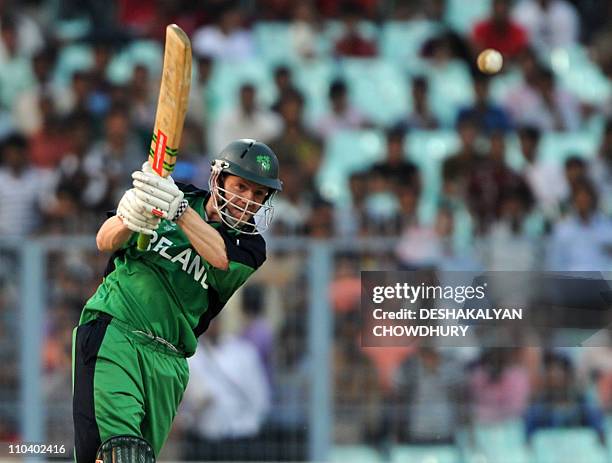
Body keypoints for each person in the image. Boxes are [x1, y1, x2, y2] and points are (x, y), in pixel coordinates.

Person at [72, 139, 282, 462]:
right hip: (116, 333)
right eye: (241, 186)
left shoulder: (251, 247)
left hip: (170, 361)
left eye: (258, 195)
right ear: (219, 179)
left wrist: (179, 212)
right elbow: (104, 239)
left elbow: (219, 257)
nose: (248, 200)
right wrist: (130, 216)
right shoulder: (176, 194)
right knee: (120, 454)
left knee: (132, 456)